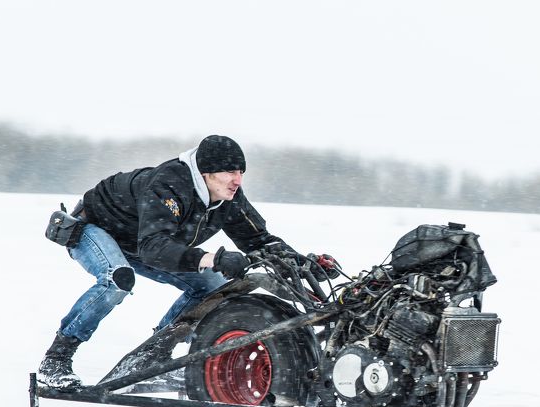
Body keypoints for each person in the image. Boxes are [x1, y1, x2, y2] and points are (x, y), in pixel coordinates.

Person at [38, 135, 326, 388]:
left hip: (142, 243)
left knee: (215, 286)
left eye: (240, 171)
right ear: (206, 173)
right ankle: (56, 359)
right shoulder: (170, 184)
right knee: (118, 279)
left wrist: (302, 264)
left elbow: (258, 240)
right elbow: (154, 248)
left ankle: (151, 356)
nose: (237, 179)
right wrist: (212, 258)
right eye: (229, 171)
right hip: (96, 229)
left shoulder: (229, 197)